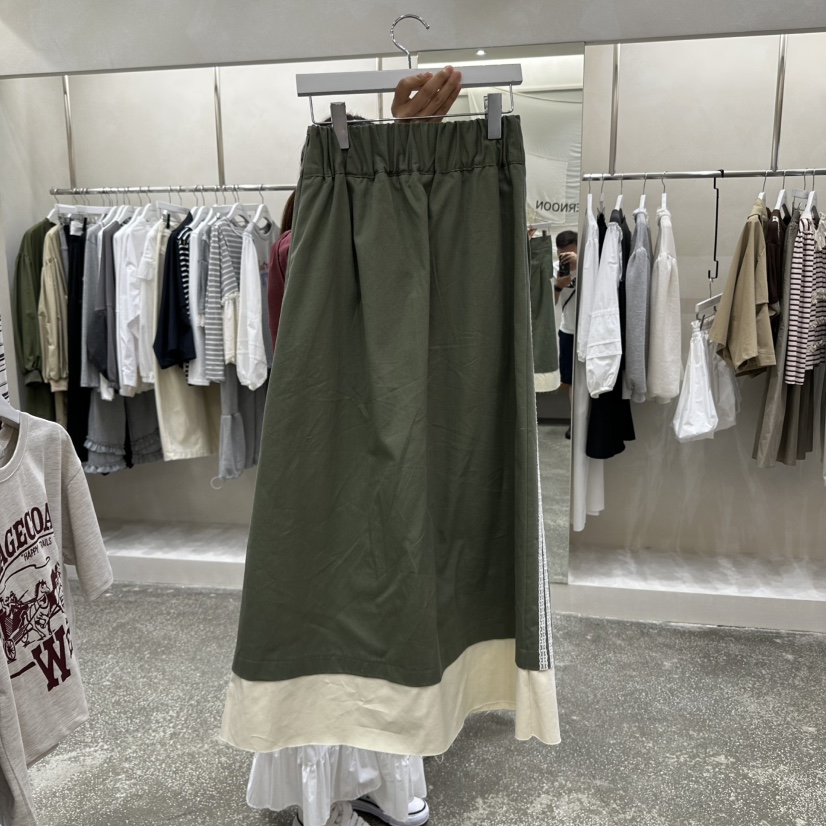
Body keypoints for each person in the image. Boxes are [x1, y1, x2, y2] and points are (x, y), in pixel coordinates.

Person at [256, 67, 463, 826]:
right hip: (331, 431)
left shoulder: (301, 244)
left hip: (327, 432)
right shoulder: (299, 250)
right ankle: (367, 778)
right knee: (354, 596)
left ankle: (365, 778)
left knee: (354, 597)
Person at [553, 230, 578, 438]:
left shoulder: (588, 265)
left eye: (570, 253)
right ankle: (575, 422)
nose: (567, 259)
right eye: (563, 255)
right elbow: (550, 303)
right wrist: (558, 287)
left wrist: (579, 264)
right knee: (570, 380)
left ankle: (587, 422)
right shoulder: (555, 269)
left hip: (589, 332)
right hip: (568, 330)